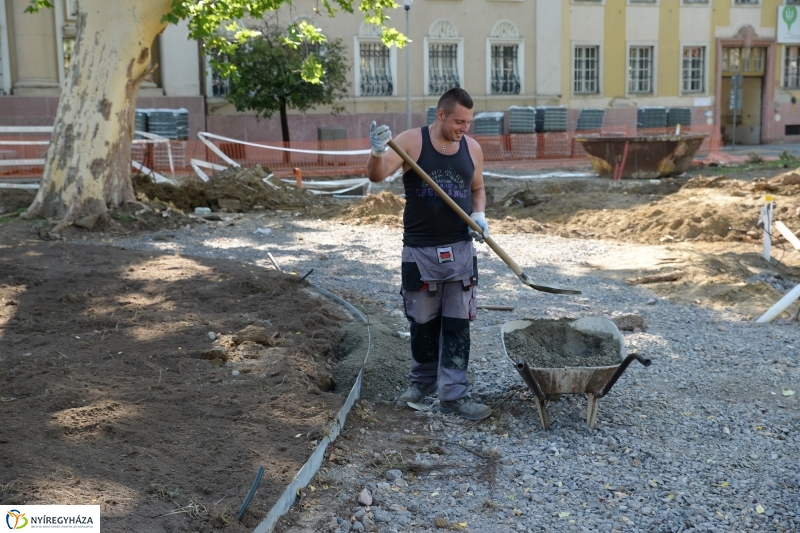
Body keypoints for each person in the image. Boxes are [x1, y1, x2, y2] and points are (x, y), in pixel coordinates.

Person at [366, 88, 491, 421]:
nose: (464, 128)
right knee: (422, 324)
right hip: (420, 251)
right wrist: (377, 152)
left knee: (457, 325)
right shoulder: (410, 142)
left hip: (461, 251)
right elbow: (376, 175)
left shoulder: (472, 149)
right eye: (459, 121)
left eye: (468, 122)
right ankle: (422, 383)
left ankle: (454, 395)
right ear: (441, 114)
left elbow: (477, 188)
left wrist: (479, 215)